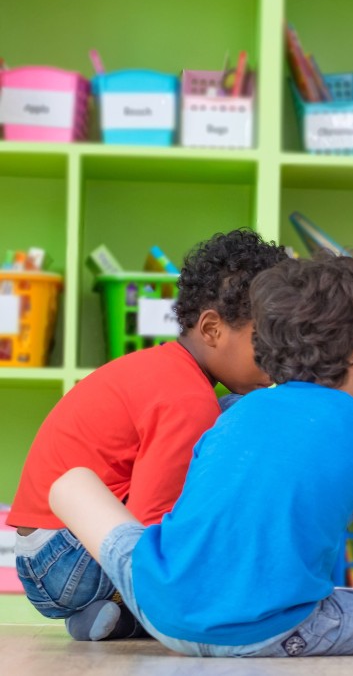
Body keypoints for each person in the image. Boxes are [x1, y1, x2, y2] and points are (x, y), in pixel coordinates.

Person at [47, 250, 353, 657]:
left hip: (163, 606)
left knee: (72, 484)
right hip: (272, 631)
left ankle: (119, 615)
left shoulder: (231, 410)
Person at [6, 229, 288, 641]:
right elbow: (149, 526)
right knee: (244, 417)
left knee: (237, 415)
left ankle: (112, 617)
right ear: (211, 329)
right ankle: (152, 613)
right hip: (64, 558)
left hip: (48, 557)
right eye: (265, 345)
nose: (277, 364)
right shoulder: (187, 399)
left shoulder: (167, 371)